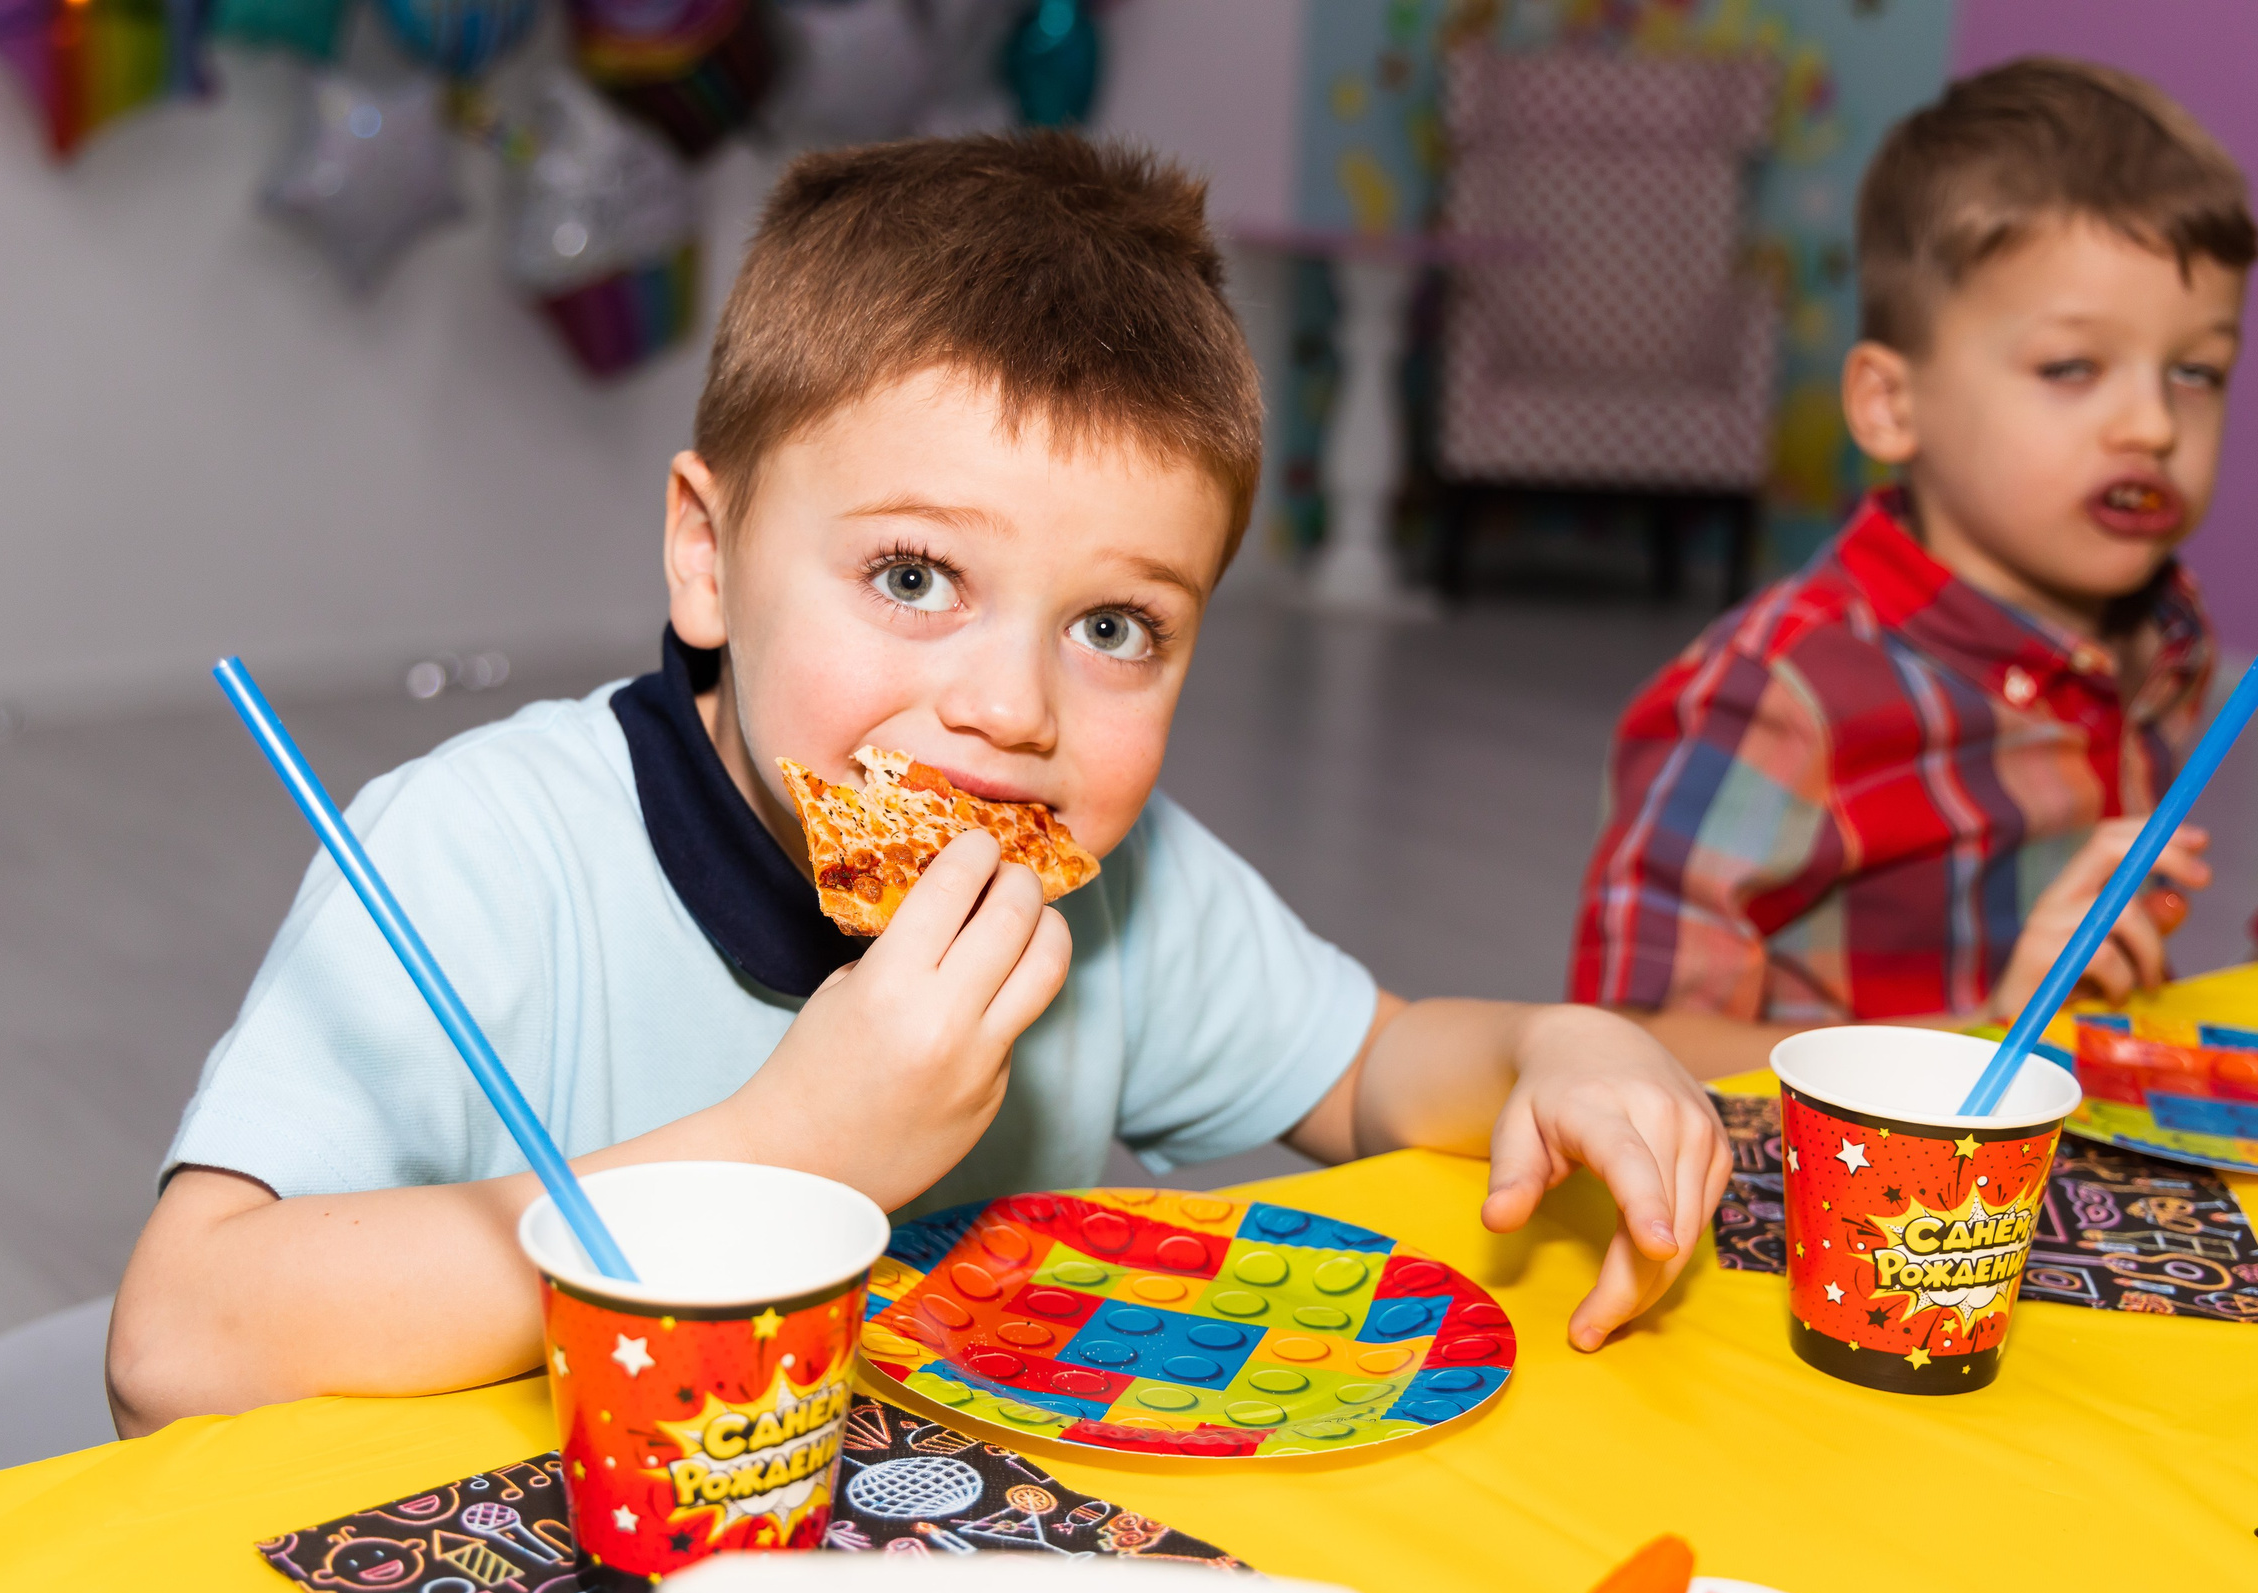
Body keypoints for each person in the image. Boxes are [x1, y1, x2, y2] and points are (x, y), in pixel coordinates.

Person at [109, 134, 1726, 1434]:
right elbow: (178, 1340)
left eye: (1115, 626)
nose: (1010, 707)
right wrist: (789, 1145)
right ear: (708, 553)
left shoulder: (1121, 888)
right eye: (912, 577)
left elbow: (1376, 1068)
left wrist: (1556, 1042)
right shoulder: (478, 855)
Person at [1571, 58, 2250, 1082]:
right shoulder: (1775, 697)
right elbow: (1630, 1052)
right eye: (2071, 367)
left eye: (2194, 372)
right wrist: (1986, 1031)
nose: (2153, 424)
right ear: (1891, 405)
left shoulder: (2166, 638)